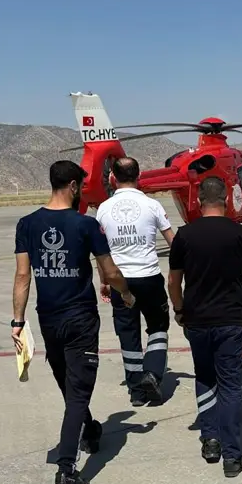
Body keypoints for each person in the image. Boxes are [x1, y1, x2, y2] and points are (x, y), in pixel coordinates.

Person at [12, 160, 134, 484]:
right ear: (74, 186)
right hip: (80, 319)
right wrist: (126, 294)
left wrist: (17, 321)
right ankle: (67, 469)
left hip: (47, 318)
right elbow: (110, 272)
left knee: (70, 384)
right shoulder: (86, 225)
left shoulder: (27, 224)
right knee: (77, 391)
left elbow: (22, 276)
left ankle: (90, 429)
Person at [167, 176, 242, 478]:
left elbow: (173, 281)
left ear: (199, 201)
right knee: (230, 385)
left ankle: (210, 439)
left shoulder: (184, 236)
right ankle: (232, 455)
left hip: (197, 320)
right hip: (229, 320)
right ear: (226, 200)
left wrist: (179, 310)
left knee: (204, 377)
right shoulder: (240, 233)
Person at [95, 156, 175, 406]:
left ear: (112, 178)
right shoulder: (152, 205)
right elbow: (173, 241)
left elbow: (100, 252)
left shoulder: (103, 209)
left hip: (120, 280)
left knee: (128, 334)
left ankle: (136, 392)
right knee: (158, 326)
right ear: (139, 175)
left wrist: (104, 280)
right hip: (149, 277)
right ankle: (152, 373)